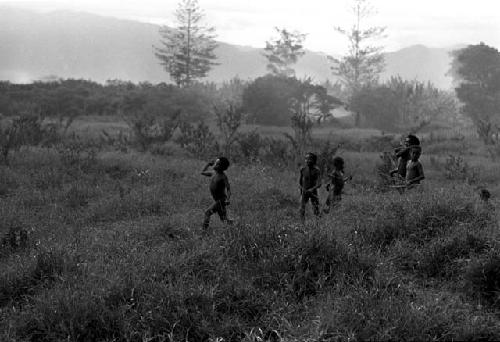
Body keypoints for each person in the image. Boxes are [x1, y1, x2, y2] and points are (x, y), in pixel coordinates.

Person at [201, 157, 231, 230]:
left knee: (207, 213)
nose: (214, 164)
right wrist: (208, 164)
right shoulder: (213, 173)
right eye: (215, 163)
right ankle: (237, 225)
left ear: (221, 167)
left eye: (216, 164)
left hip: (221, 200)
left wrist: (228, 199)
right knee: (224, 219)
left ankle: (203, 232)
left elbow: (228, 189)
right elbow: (202, 172)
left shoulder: (223, 177)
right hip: (217, 200)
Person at [299, 152, 322, 220]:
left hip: (313, 192)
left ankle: (318, 225)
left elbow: (319, 183)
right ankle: (302, 225)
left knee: (316, 210)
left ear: (314, 160)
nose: (307, 160)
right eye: (306, 159)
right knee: (302, 209)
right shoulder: (303, 169)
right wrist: (302, 190)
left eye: (309, 159)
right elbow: (300, 182)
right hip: (305, 191)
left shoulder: (316, 170)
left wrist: (312, 189)